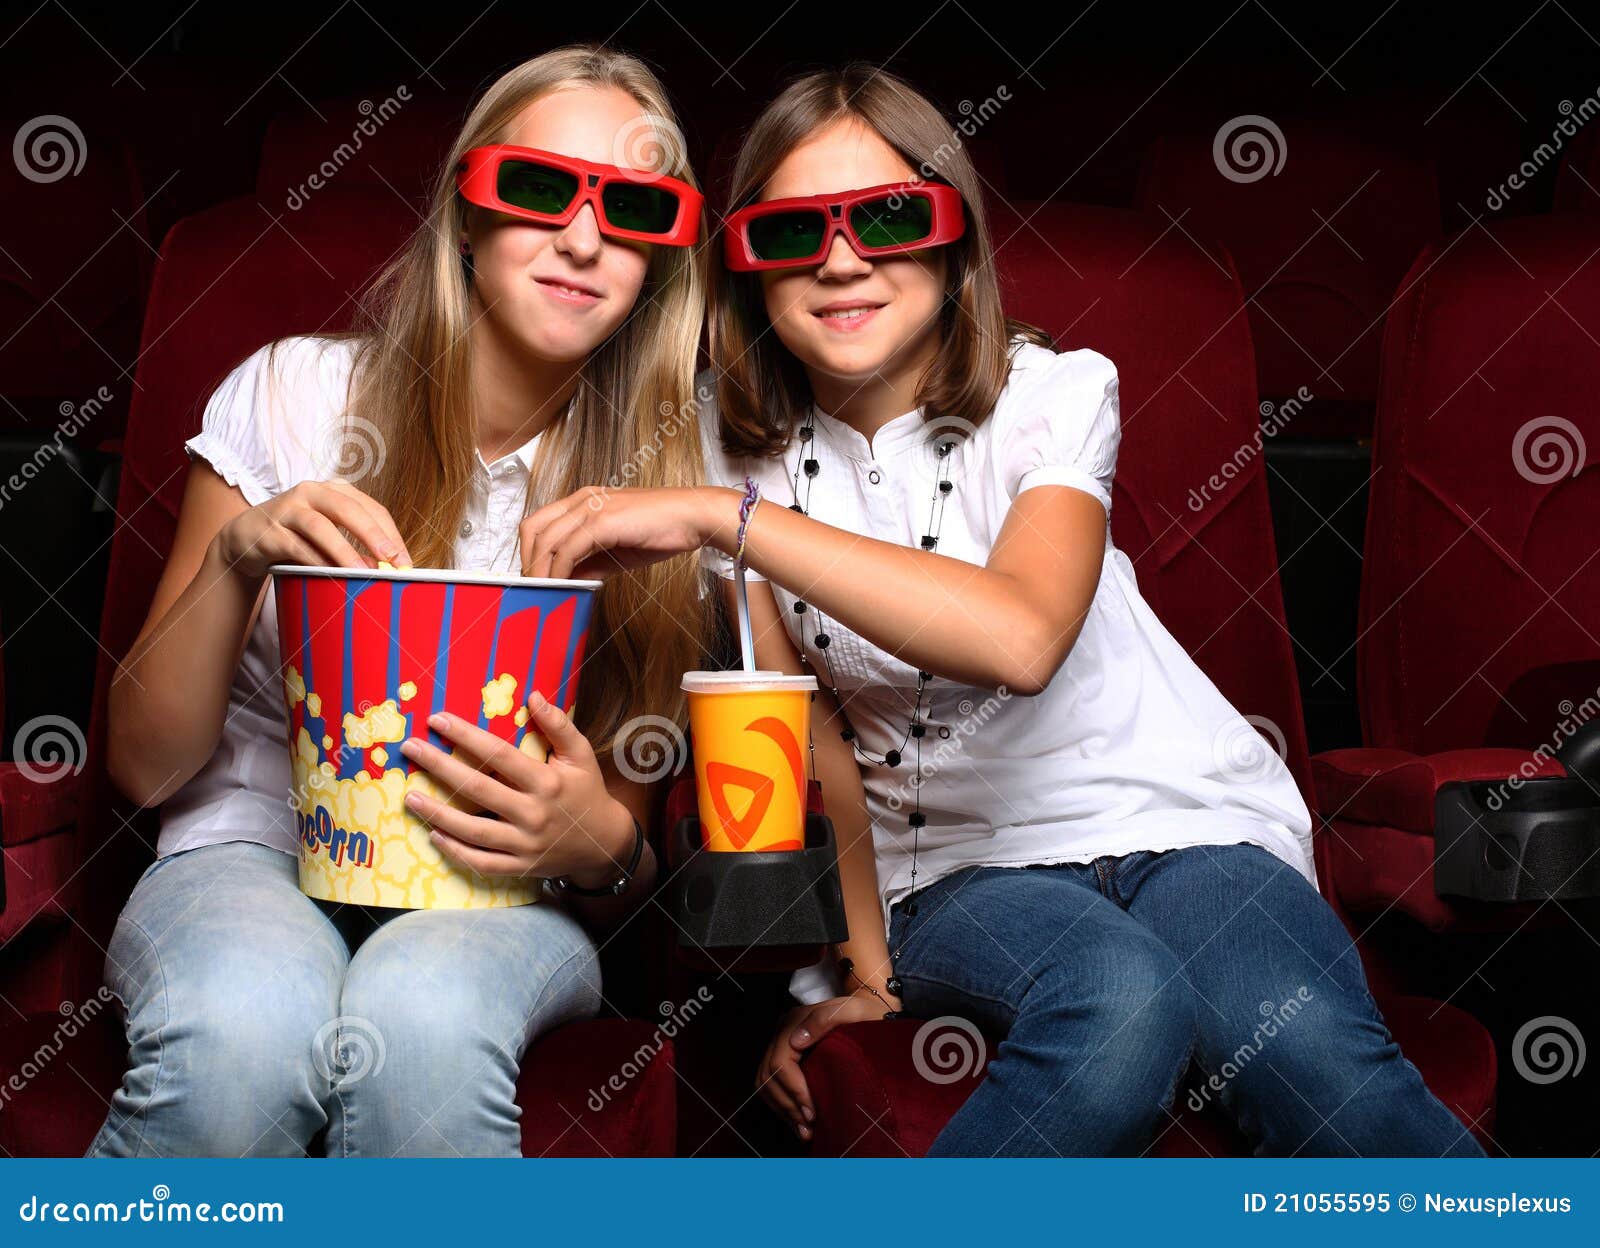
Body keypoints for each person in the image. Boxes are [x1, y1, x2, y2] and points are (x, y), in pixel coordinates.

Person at [516, 64, 1485, 1158]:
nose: (840, 260)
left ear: (951, 236)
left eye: (886, 217)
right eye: (791, 234)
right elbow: (806, 732)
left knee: (1312, 1051)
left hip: (1184, 824)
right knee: (1120, 1004)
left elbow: (1019, 637)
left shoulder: (1054, 393)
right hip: (957, 866)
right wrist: (870, 973)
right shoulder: (724, 449)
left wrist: (722, 517)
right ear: (743, 266)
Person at [91, 44, 708, 1158]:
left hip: (505, 899)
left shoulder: (673, 482)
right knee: (239, 1039)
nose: (581, 238)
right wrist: (238, 560)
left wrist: (599, 842)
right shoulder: (293, 392)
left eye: (632, 210)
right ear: (466, 213)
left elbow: (627, 865)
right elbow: (141, 770)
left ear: (662, 261)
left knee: (417, 1030)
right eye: (535, 188)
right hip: (251, 846)